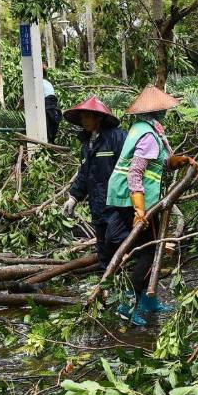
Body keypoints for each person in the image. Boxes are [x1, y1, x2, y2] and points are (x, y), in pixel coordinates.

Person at [104, 85, 198, 326]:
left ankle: (147, 300)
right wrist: (139, 210)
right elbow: (135, 173)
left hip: (128, 197)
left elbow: (162, 163)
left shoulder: (143, 129)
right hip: (134, 199)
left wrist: (183, 160)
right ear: (158, 112)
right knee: (149, 253)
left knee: (149, 250)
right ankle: (129, 304)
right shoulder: (148, 136)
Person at [62, 97, 127, 268]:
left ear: (98, 117)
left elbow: (130, 169)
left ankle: (131, 272)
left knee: (116, 238)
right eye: (82, 117)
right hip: (97, 205)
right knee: (103, 248)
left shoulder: (117, 138)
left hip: (117, 204)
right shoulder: (86, 143)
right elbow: (85, 174)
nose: (84, 121)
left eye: (87, 117)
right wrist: (74, 198)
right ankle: (107, 285)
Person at [43, 66, 63, 144]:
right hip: (53, 109)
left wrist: (19, 106)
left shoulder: (38, 82)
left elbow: (24, 97)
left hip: (47, 108)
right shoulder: (48, 83)